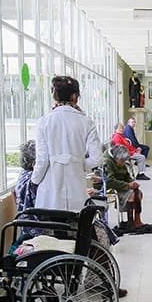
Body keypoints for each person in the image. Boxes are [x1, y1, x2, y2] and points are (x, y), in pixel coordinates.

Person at [31, 76, 102, 212]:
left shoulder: (44, 121)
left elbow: (42, 160)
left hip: (49, 192)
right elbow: (97, 158)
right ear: (75, 97)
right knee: (76, 228)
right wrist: (76, 163)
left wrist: (34, 182)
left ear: (54, 95)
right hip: (77, 189)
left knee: (50, 230)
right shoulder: (86, 122)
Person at [99, 145, 152, 234]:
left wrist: (132, 183)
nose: (123, 163)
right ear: (116, 158)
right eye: (122, 161)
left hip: (120, 183)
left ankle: (137, 220)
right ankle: (130, 222)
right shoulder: (107, 162)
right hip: (108, 186)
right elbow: (109, 181)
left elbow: (126, 175)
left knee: (138, 193)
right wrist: (128, 185)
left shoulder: (119, 160)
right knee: (132, 194)